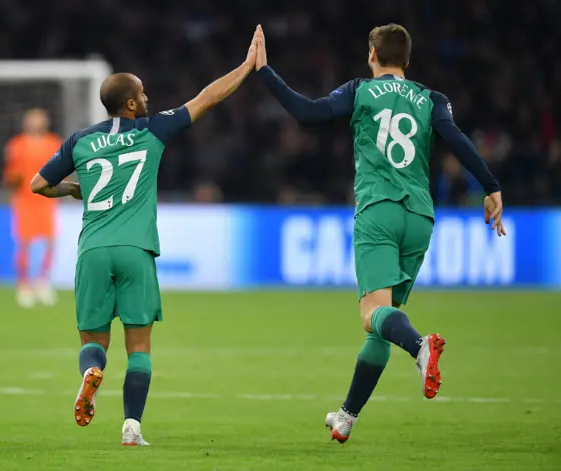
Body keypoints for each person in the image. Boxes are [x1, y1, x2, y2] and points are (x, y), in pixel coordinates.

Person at [254, 23, 506, 443]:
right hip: (420, 217)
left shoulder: (359, 90)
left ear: (373, 54)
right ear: (407, 60)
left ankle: (421, 347)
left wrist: (265, 70)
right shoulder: (431, 99)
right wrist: (491, 184)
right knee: (386, 320)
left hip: (378, 210)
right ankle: (347, 416)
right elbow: (457, 140)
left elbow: (306, 112)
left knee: (373, 314)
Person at [29, 27, 261, 446]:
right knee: (139, 348)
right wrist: (246, 67)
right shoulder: (153, 130)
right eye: (144, 94)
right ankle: (132, 428)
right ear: (132, 103)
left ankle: (89, 373)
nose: (149, 99)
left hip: (93, 250)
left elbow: (38, 185)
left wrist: (76, 189)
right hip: (136, 250)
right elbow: (207, 97)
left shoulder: (80, 140)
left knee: (93, 341)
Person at [4, 108, 62, 308]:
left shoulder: (54, 143)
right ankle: (23, 286)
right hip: (25, 200)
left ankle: (42, 282)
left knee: (50, 241)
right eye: (32, 120)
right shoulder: (16, 145)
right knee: (25, 243)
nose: (36, 123)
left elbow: (61, 169)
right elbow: (11, 174)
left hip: (46, 200)